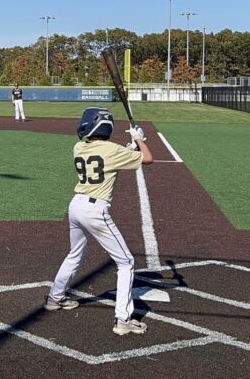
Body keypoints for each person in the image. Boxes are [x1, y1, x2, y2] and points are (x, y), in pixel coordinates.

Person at [44, 107, 154, 336]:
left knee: (75, 253)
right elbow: (148, 158)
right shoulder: (111, 150)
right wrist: (139, 139)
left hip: (76, 205)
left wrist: (131, 145)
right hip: (95, 210)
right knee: (126, 263)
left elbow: (110, 158)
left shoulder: (79, 147)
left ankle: (55, 297)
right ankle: (123, 319)